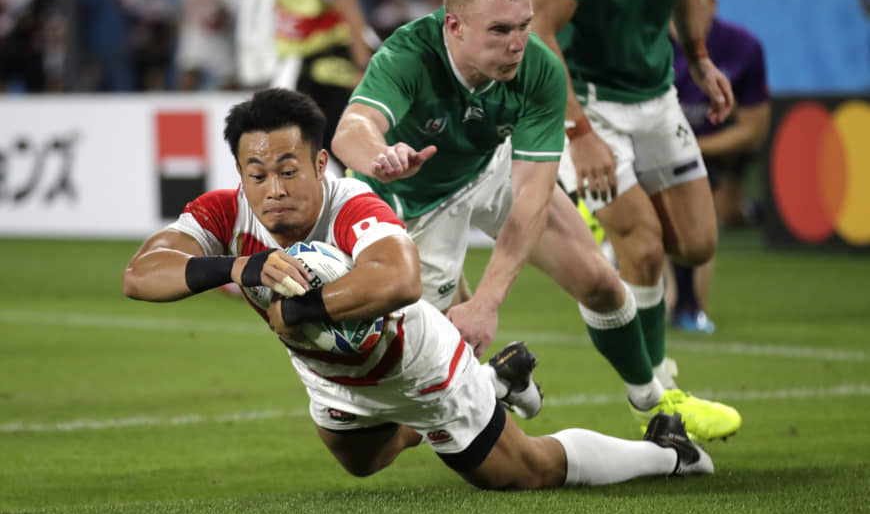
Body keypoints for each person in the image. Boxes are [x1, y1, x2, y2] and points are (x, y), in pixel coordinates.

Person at [123, 87, 714, 490]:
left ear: (320, 162)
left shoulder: (351, 204)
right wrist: (239, 269)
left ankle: (669, 455)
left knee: (523, 472)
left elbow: (401, 280)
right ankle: (496, 380)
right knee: (361, 463)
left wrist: (297, 310)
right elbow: (141, 274)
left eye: (288, 168)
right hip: (332, 376)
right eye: (257, 174)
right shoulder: (226, 215)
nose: (273, 187)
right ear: (240, 176)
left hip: (418, 363)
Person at [331, 0, 740, 440]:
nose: (517, 44)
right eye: (500, 31)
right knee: (400, 421)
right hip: (412, 208)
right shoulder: (410, 55)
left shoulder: (539, 67)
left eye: (523, 26)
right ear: (455, 26)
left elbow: (531, 198)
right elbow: (351, 129)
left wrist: (488, 301)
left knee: (600, 280)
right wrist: (379, 155)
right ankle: (491, 382)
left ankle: (654, 403)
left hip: (489, 166)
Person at [530, 0, 740, 407]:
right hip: (588, 100)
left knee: (698, 242)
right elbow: (538, 25)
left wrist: (698, 55)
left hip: (656, 95)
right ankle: (654, 393)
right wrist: (579, 132)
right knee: (643, 248)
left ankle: (605, 227)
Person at [207, 0, 375, 171]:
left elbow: (350, 7)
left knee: (341, 144)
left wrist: (363, 66)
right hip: (301, 67)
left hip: (332, 64)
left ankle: (378, 198)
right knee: (319, 144)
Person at [668, 0, 771, 334]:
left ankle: (689, 305)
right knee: (663, 222)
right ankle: (678, 304)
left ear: (713, 3)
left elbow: (754, 131)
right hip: (657, 147)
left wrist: (696, 147)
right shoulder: (647, 50)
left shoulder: (743, 48)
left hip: (719, 151)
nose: (688, 12)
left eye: (698, 1)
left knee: (706, 218)